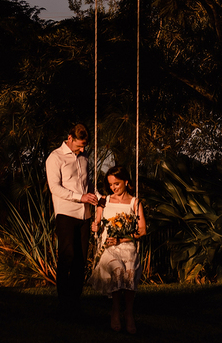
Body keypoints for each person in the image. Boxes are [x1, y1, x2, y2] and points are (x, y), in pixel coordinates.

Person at [45, 123, 100, 313]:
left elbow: (88, 185)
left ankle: (75, 301)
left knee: (81, 259)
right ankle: (64, 302)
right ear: (70, 138)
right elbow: (55, 188)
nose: (83, 149)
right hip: (66, 213)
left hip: (84, 215)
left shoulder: (84, 158)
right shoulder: (55, 157)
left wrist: (99, 199)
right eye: (79, 145)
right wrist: (80, 197)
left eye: (84, 145)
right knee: (67, 257)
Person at [89, 165, 146, 334]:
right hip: (108, 247)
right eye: (111, 185)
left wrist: (122, 238)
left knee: (129, 272)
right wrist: (95, 227)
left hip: (127, 245)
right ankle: (115, 309)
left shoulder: (135, 202)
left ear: (126, 182)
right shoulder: (104, 201)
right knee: (118, 269)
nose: (113, 188)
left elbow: (142, 230)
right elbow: (97, 223)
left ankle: (128, 313)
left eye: (117, 184)